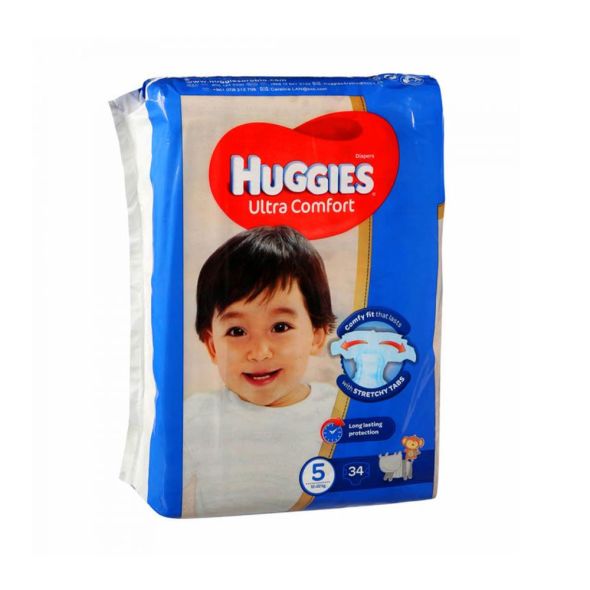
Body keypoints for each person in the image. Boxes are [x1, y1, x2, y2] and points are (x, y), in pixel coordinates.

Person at [183, 225, 339, 517]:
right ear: (212, 346)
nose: (259, 352)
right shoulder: (196, 417)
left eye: (280, 327)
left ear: (317, 335)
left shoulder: (338, 409)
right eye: (237, 331)